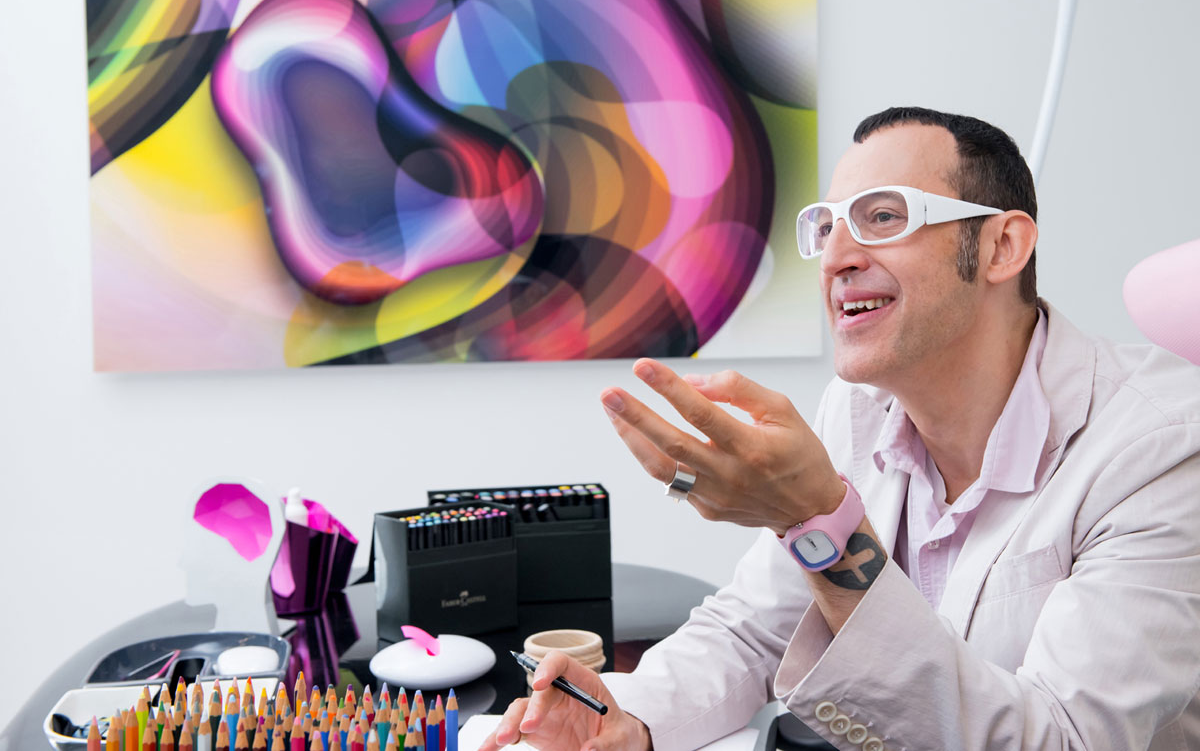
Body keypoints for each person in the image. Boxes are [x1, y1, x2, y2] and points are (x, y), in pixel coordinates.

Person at [480, 107, 1200, 751]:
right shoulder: (856, 411)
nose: (836, 258)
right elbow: (758, 629)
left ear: (1003, 247)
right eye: (827, 227)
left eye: (884, 217)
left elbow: (1062, 741)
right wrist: (631, 720)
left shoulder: (1158, 447)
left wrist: (815, 525)